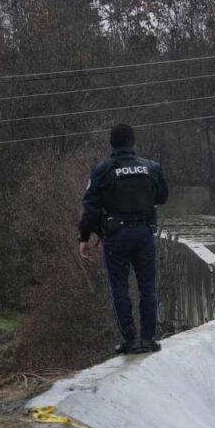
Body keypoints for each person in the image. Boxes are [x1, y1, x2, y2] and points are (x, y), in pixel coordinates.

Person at [78, 124, 169, 354]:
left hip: (116, 235)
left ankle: (130, 339)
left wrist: (85, 237)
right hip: (144, 233)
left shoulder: (102, 170)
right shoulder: (151, 168)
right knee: (147, 287)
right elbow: (162, 196)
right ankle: (148, 339)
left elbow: (90, 207)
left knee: (120, 288)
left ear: (112, 143)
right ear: (132, 142)